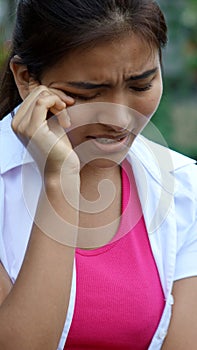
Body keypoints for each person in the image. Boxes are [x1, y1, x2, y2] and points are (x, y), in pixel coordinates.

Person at [0, 0, 196, 349]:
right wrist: (59, 183)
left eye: (141, 86)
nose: (120, 120)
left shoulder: (184, 188)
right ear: (27, 79)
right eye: (86, 94)